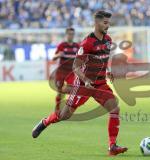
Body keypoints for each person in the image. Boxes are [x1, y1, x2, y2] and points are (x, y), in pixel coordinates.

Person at [32, 10, 128, 156]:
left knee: (114, 108)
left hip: (100, 83)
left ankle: (112, 146)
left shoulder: (108, 40)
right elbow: (75, 66)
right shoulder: (87, 42)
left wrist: (108, 71)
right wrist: (86, 80)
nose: (108, 25)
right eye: (105, 23)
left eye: (109, 23)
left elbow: (102, 60)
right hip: (83, 85)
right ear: (96, 23)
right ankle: (46, 121)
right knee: (65, 115)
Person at [52, 27, 80, 113]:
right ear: (66, 35)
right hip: (61, 72)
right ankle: (57, 108)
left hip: (71, 72)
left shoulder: (77, 46)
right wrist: (58, 55)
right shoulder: (62, 46)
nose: (71, 36)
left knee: (72, 90)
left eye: (72, 34)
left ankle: (67, 108)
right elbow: (53, 58)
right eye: (69, 34)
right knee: (60, 91)